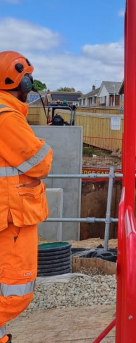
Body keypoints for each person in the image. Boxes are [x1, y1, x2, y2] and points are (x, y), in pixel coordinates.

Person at [0, 51, 52, 343]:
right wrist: (42, 143)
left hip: (7, 215)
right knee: (15, 289)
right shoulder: (6, 118)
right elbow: (41, 162)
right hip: (13, 218)